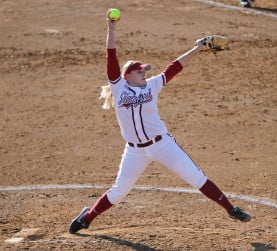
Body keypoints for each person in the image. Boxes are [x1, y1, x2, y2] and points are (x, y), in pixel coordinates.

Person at [69, 13, 251, 234]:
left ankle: (231, 209)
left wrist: (196, 49)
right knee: (118, 192)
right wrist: (111, 29)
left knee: (196, 177)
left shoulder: (152, 85)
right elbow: (111, 56)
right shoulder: (119, 87)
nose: (145, 73)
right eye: (140, 71)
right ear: (127, 76)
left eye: (145, 70)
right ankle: (87, 217)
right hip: (134, 152)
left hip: (162, 145)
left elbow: (173, 67)